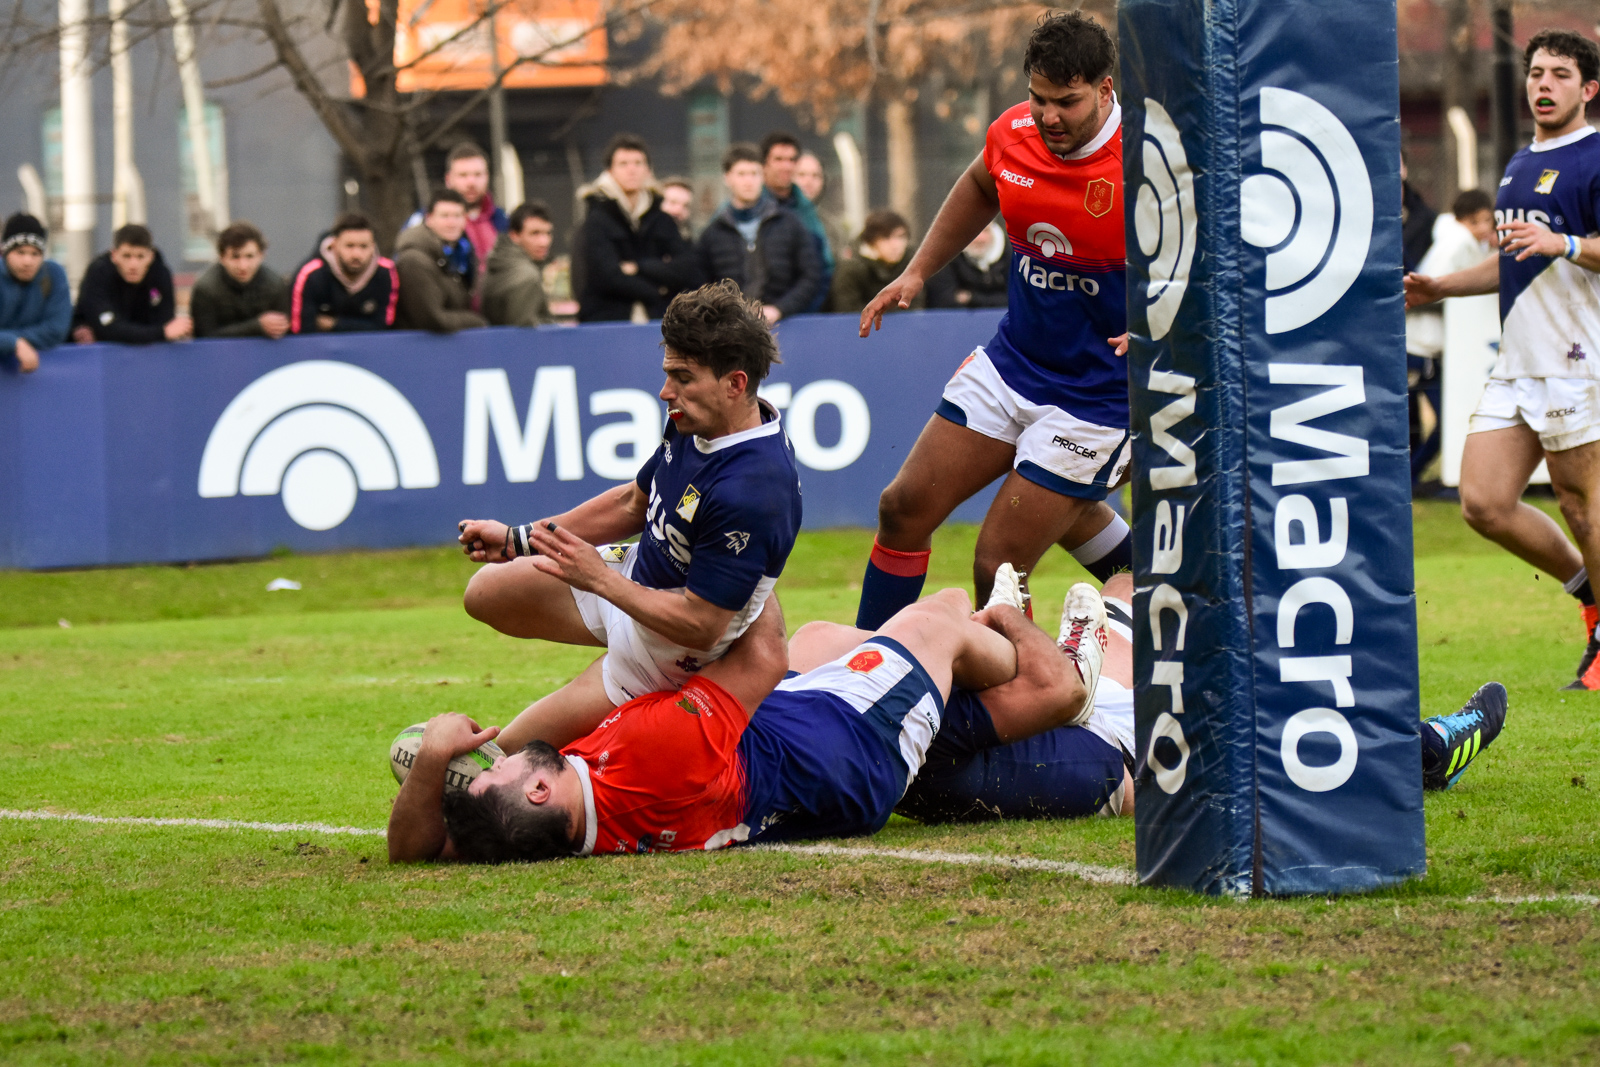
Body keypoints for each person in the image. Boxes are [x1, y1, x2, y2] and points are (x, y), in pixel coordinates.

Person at [386, 576, 1115, 864]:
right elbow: (758, 653)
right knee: (943, 613)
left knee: (828, 637)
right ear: (538, 793)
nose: (499, 758)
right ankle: (1049, 664)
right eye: (501, 773)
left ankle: (989, 648)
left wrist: (429, 766)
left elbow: (414, 852)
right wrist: (732, 568)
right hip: (840, 748)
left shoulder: (540, 828)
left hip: (785, 759)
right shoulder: (655, 751)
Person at [852, 11, 1132, 629]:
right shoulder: (1014, 131)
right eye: (1038, 99)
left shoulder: (1145, 158)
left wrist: (1159, 324)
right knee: (903, 508)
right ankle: (859, 686)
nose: (1048, 116)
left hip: (1101, 395)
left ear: (1106, 90)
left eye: (1067, 101)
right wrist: (918, 269)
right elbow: (981, 184)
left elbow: (1219, 254)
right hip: (1015, 364)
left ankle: (1014, 711)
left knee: (997, 563)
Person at [454, 280, 803, 750]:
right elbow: (633, 503)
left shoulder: (753, 488)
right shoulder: (698, 420)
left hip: (668, 649)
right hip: (630, 576)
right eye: (667, 374)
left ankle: (679, 703)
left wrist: (600, 580)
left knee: (501, 762)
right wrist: (519, 538)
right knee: (485, 592)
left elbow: (701, 625)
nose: (665, 392)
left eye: (682, 378)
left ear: (735, 383)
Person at [1404, 29, 1600, 690]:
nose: (1543, 85)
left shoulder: (1595, 154)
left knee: (1583, 506)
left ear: (1589, 89)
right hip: (1518, 363)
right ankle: (1589, 593)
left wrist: (1566, 243)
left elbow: (1562, 246)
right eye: (1536, 73)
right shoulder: (1519, 161)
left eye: (1560, 75)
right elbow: (1513, 257)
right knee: (1483, 501)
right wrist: (1440, 287)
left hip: (1577, 360)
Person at [575, 134, 696, 323]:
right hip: (608, 322)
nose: (632, 170)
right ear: (609, 171)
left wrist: (639, 267)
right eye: (623, 164)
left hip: (660, 321)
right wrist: (659, 290)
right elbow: (606, 276)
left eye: (638, 163)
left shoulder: (662, 219)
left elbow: (686, 267)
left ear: (648, 169)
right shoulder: (596, 219)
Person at [697, 144, 823, 325]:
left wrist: (780, 309)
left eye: (754, 173)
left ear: (763, 176)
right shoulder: (712, 234)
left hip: (785, 326)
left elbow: (811, 275)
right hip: (728, 332)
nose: (748, 181)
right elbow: (700, 286)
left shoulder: (790, 223)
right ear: (727, 178)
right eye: (741, 174)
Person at [71, 224, 190, 345]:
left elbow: (166, 321)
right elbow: (107, 329)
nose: (133, 265)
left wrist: (162, 332)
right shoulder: (99, 273)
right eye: (126, 256)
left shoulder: (160, 275)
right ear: (114, 255)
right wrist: (161, 333)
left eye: (140, 256)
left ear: (150, 257)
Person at [401, 142, 508, 274]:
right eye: (463, 175)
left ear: (487, 177)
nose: (471, 182)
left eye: (478, 174)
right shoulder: (424, 220)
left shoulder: (502, 220)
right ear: (448, 179)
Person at [394, 189, 487, 333]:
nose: (452, 223)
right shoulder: (413, 260)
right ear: (429, 219)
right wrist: (476, 321)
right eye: (445, 216)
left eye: (457, 216)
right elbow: (431, 319)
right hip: (418, 348)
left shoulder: (461, 253)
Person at [289, 213, 398, 333]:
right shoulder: (310, 274)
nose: (356, 254)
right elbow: (300, 331)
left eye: (363, 246)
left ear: (373, 247)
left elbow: (385, 327)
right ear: (334, 245)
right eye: (349, 246)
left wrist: (334, 324)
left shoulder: (386, 272)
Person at [762, 132, 835, 309]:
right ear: (763, 164)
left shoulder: (808, 211)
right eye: (778, 159)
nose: (786, 166)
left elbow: (822, 268)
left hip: (805, 313)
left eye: (792, 160)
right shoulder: (747, 208)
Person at [189, 222, 291, 339]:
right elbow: (204, 337)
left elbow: (286, 333)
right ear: (221, 258)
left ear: (262, 256)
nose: (243, 266)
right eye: (235, 257)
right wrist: (257, 326)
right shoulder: (205, 289)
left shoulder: (276, 285)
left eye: (249, 256)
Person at [0, 213, 70, 373]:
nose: (28, 261)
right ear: (5, 252)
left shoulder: (54, 274)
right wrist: (14, 343)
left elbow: (56, 330)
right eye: (20, 252)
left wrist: (12, 339)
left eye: (35, 253)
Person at [827, 210, 922, 314]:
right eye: (886, 237)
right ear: (871, 240)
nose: (896, 245)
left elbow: (916, 306)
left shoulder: (911, 262)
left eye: (901, 236)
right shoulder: (850, 268)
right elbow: (847, 311)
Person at [483, 202, 555, 327]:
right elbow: (525, 332)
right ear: (515, 235)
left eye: (548, 233)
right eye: (535, 233)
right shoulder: (526, 277)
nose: (544, 242)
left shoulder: (498, 261)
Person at [925, 221, 1010, 310]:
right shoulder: (944, 257)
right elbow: (943, 301)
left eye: (985, 231)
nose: (980, 238)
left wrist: (972, 298)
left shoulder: (1013, 255)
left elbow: (1017, 300)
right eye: (973, 231)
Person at [793, 151, 847, 266]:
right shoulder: (773, 217)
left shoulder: (832, 227)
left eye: (816, 176)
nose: (809, 182)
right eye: (801, 175)